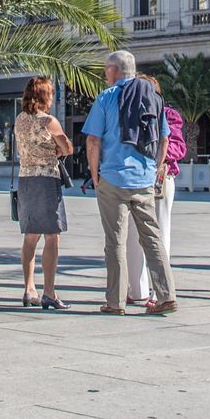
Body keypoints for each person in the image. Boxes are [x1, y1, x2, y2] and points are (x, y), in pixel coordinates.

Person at [82, 49, 176, 316]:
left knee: (115, 241)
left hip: (113, 178)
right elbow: (165, 139)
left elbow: (93, 140)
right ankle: (167, 296)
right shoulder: (153, 97)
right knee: (152, 238)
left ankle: (116, 302)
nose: (104, 74)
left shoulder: (107, 97)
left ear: (114, 70)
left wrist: (95, 174)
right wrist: (154, 168)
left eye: (106, 69)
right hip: (144, 179)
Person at [14, 76, 74, 310]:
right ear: (44, 96)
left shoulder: (20, 120)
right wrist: (59, 149)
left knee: (30, 236)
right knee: (52, 236)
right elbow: (67, 148)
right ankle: (49, 291)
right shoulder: (49, 121)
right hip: (47, 179)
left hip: (25, 180)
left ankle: (29, 289)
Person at [127, 75, 185, 308]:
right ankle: (138, 289)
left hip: (160, 178)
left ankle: (159, 290)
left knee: (160, 232)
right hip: (135, 177)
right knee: (133, 234)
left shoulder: (169, 115)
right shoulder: (129, 114)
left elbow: (178, 147)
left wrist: (152, 154)